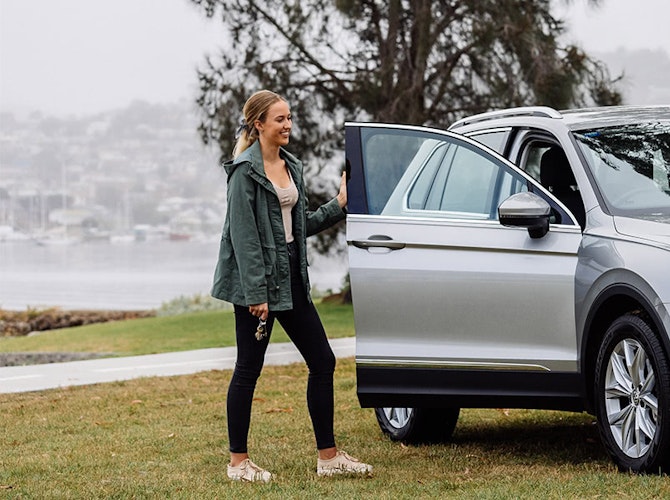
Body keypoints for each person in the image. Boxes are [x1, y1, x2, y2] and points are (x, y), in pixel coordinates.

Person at [212, 90, 372, 482]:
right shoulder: (243, 173)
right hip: (258, 284)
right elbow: (243, 238)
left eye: (290, 118)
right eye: (280, 119)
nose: (288, 125)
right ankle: (237, 463)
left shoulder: (290, 166)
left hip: (291, 279)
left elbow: (298, 227)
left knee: (322, 361)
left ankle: (328, 457)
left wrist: (339, 203)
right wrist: (256, 294)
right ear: (258, 124)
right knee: (248, 369)